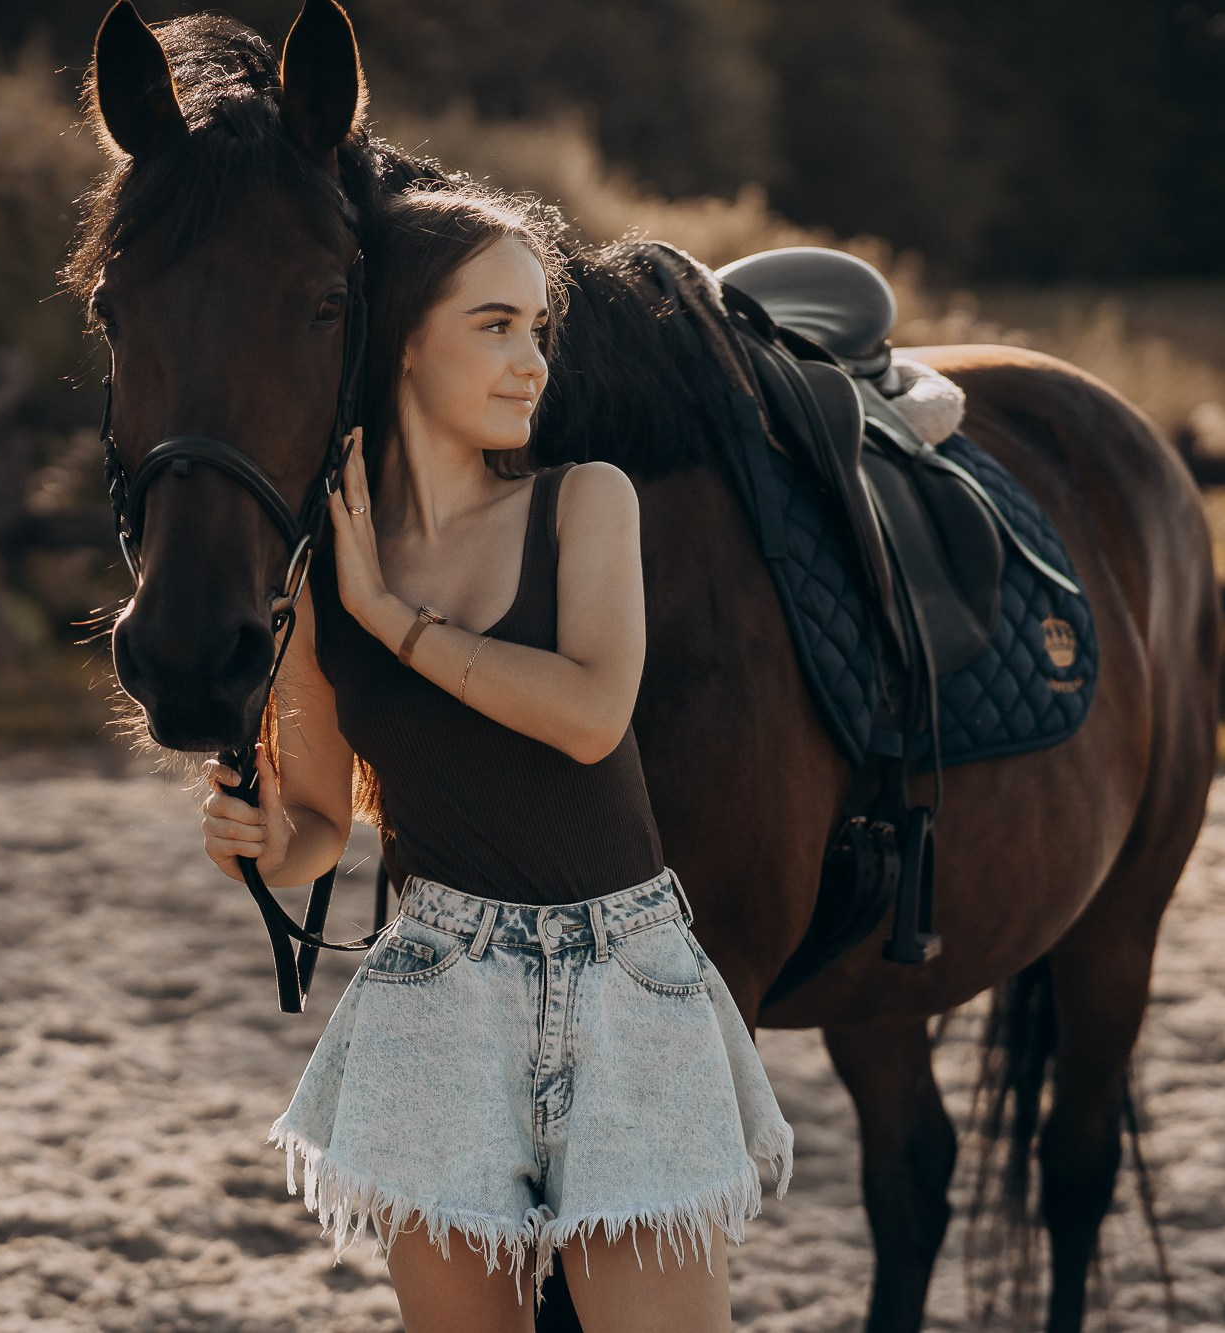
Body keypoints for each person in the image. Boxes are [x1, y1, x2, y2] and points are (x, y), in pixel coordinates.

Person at [195, 183, 791, 1333]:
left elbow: (587, 713)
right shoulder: (321, 575)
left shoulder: (583, 503)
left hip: (628, 983)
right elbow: (317, 819)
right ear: (405, 342)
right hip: (436, 990)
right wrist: (260, 845)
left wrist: (392, 616)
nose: (532, 362)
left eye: (539, 329)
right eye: (494, 325)